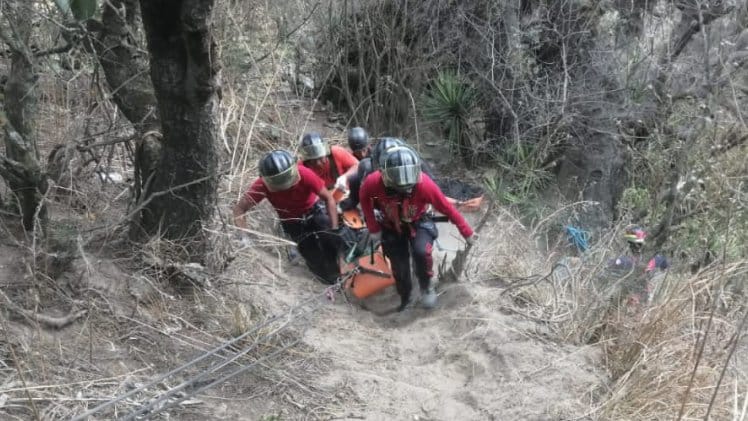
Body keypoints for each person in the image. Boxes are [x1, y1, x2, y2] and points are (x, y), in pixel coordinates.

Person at [359, 146, 475, 311]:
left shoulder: (424, 184)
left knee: (421, 252)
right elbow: (364, 197)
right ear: (385, 174)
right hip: (391, 225)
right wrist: (373, 227)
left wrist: (467, 232)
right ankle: (405, 296)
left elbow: (447, 208)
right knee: (399, 266)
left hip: (419, 222)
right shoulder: (373, 182)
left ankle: (426, 286)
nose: (404, 183)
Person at [233, 150, 342, 284]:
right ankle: (325, 281)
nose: (284, 186)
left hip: (314, 211)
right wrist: (244, 235)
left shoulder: (304, 174)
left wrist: (334, 227)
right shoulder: (262, 185)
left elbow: (328, 198)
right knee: (311, 254)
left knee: (330, 238)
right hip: (291, 221)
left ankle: (340, 273)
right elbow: (240, 209)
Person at [609, 225, 669, 306]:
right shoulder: (656, 258)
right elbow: (665, 266)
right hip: (640, 295)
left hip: (637, 295)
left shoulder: (624, 261)